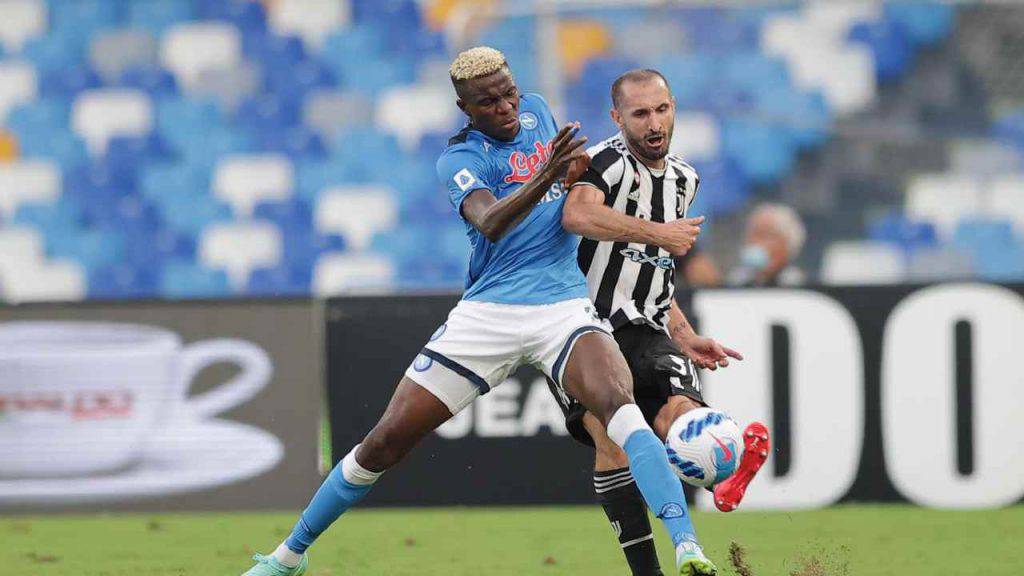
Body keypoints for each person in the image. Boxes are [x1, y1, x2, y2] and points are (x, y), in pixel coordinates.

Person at [242, 47, 714, 576]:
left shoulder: (538, 110)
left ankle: (688, 547)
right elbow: (490, 221)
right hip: (488, 313)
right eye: (489, 102)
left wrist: (572, 171)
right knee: (384, 443)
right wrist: (548, 174)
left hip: (562, 305)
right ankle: (288, 557)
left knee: (621, 409)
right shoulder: (460, 159)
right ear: (466, 108)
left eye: (509, 92)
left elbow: (572, 184)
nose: (507, 107)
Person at [560, 69, 771, 576]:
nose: (654, 124)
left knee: (681, 412)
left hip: (648, 327)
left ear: (674, 107)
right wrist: (658, 232)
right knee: (611, 442)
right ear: (618, 118)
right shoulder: (605, 164)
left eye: (662, 110)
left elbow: (655, 265)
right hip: (585, 329)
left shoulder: (684, 178)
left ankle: (724, 462)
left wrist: (683, 333)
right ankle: (650, 566)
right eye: (640, 114)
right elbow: (577, 216)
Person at [727, 203, 807, 287]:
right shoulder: (737, 281)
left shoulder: (797, 285)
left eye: (768, 236)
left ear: (789, 244)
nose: (758, 243)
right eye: (754, 234)